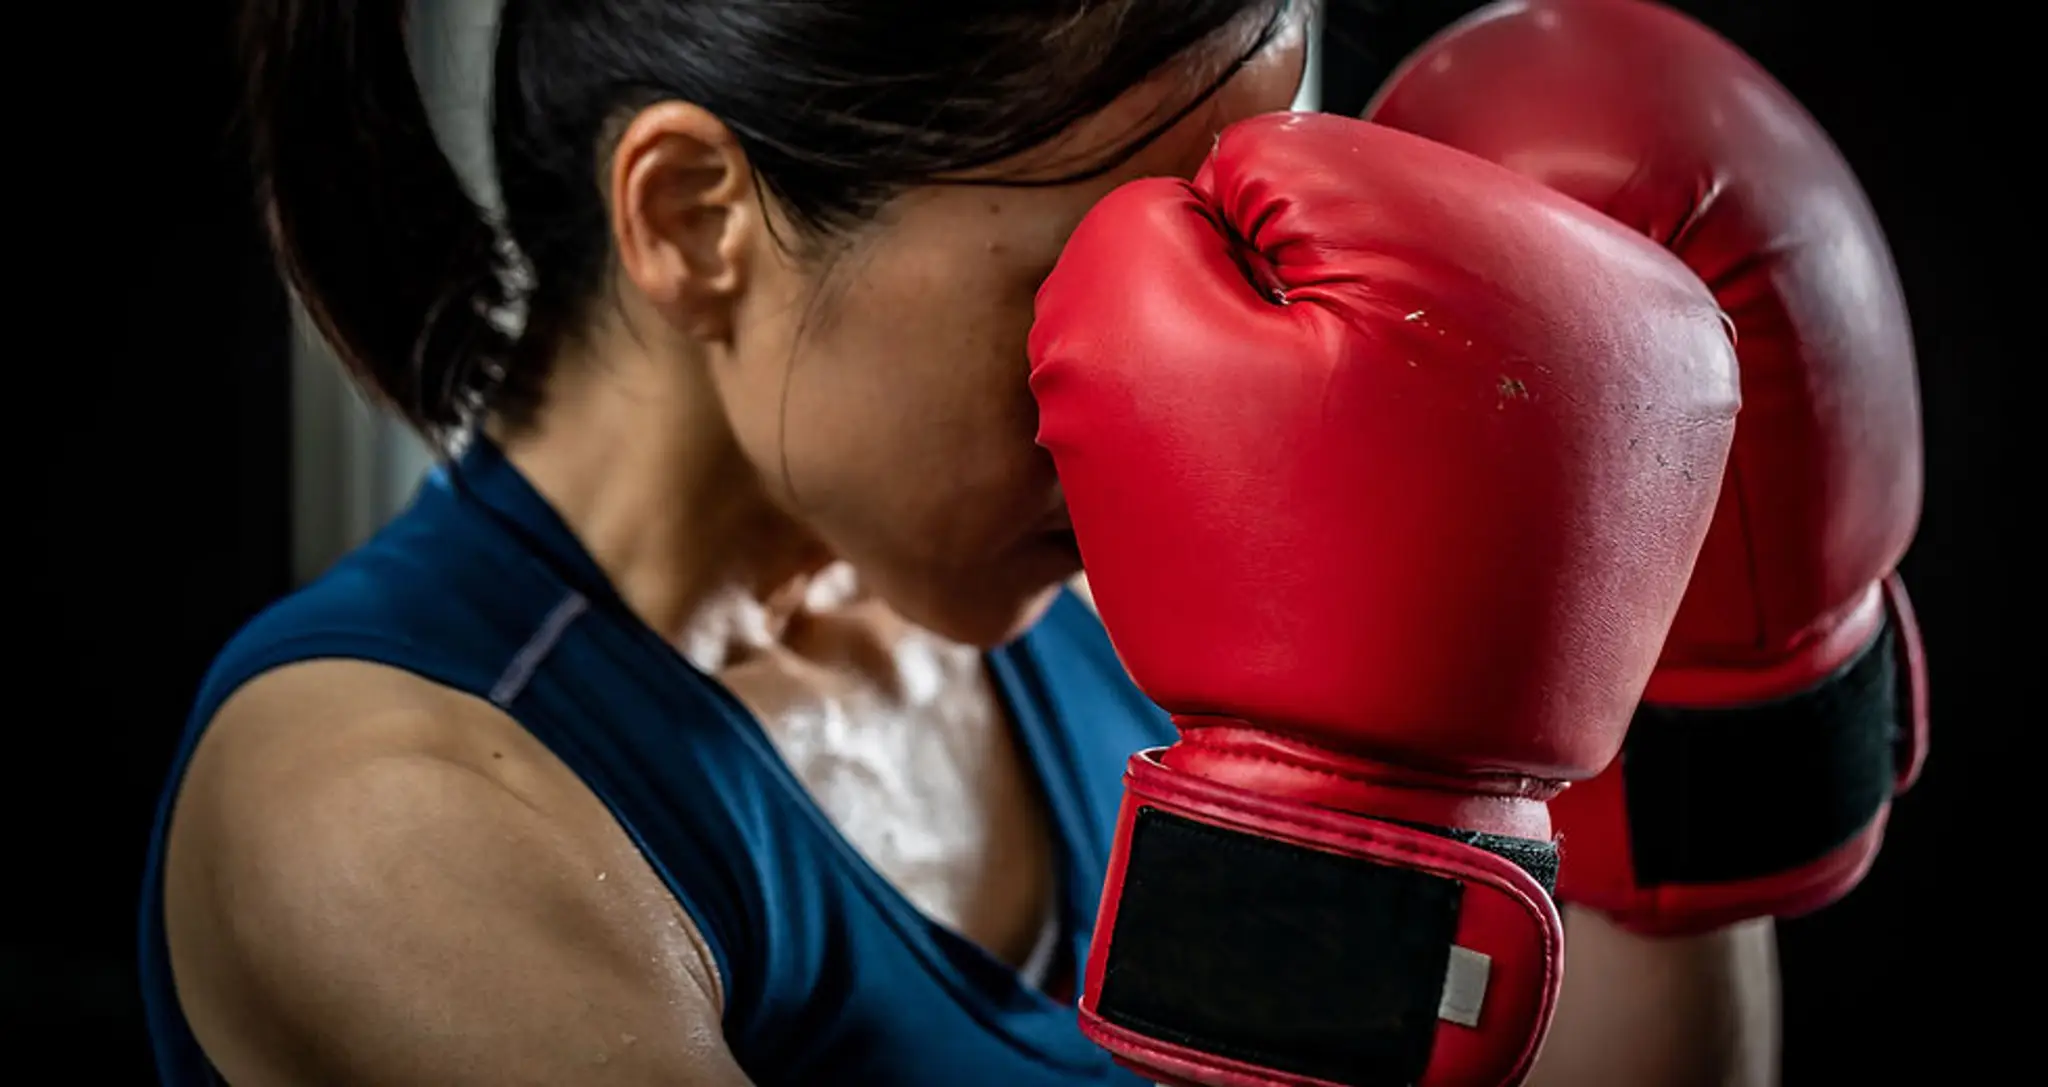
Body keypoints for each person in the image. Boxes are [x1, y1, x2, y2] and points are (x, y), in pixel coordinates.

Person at [140, 1, 1775, 1084]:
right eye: (1081, 275)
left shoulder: (1114, 608)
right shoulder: (384, 811)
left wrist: (1689, 621)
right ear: (696, 220)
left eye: (1227, 246)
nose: (1176, 364)